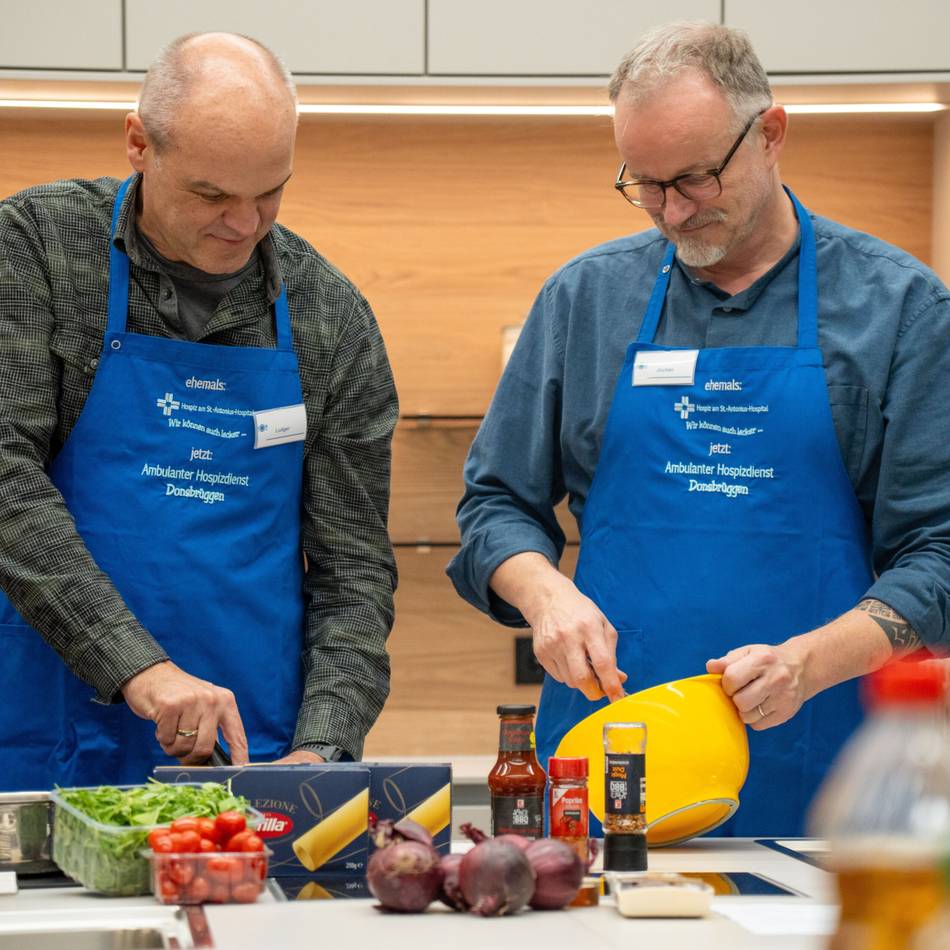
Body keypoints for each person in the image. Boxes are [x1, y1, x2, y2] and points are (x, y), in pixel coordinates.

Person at [447, 21, 950, 836]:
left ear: (772, 134)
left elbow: (942, 552)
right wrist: (544, 597)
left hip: (825, 781)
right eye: (643, 184)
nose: (671, 212)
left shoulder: (901, 310)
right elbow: (493, 506)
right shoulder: (586, 302)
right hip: (608, 767)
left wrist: (807, 663)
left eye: (695, 178)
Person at [0, 32, 398, 790]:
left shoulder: (329, 315)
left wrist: (322, 751)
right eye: (212, 195)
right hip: (45, 734)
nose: (244, 225)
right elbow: (6, 484)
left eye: (270, 192)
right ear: (138, 144)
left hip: (253, 756)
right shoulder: (37, 249)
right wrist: (138, 666)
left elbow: (353, 571)